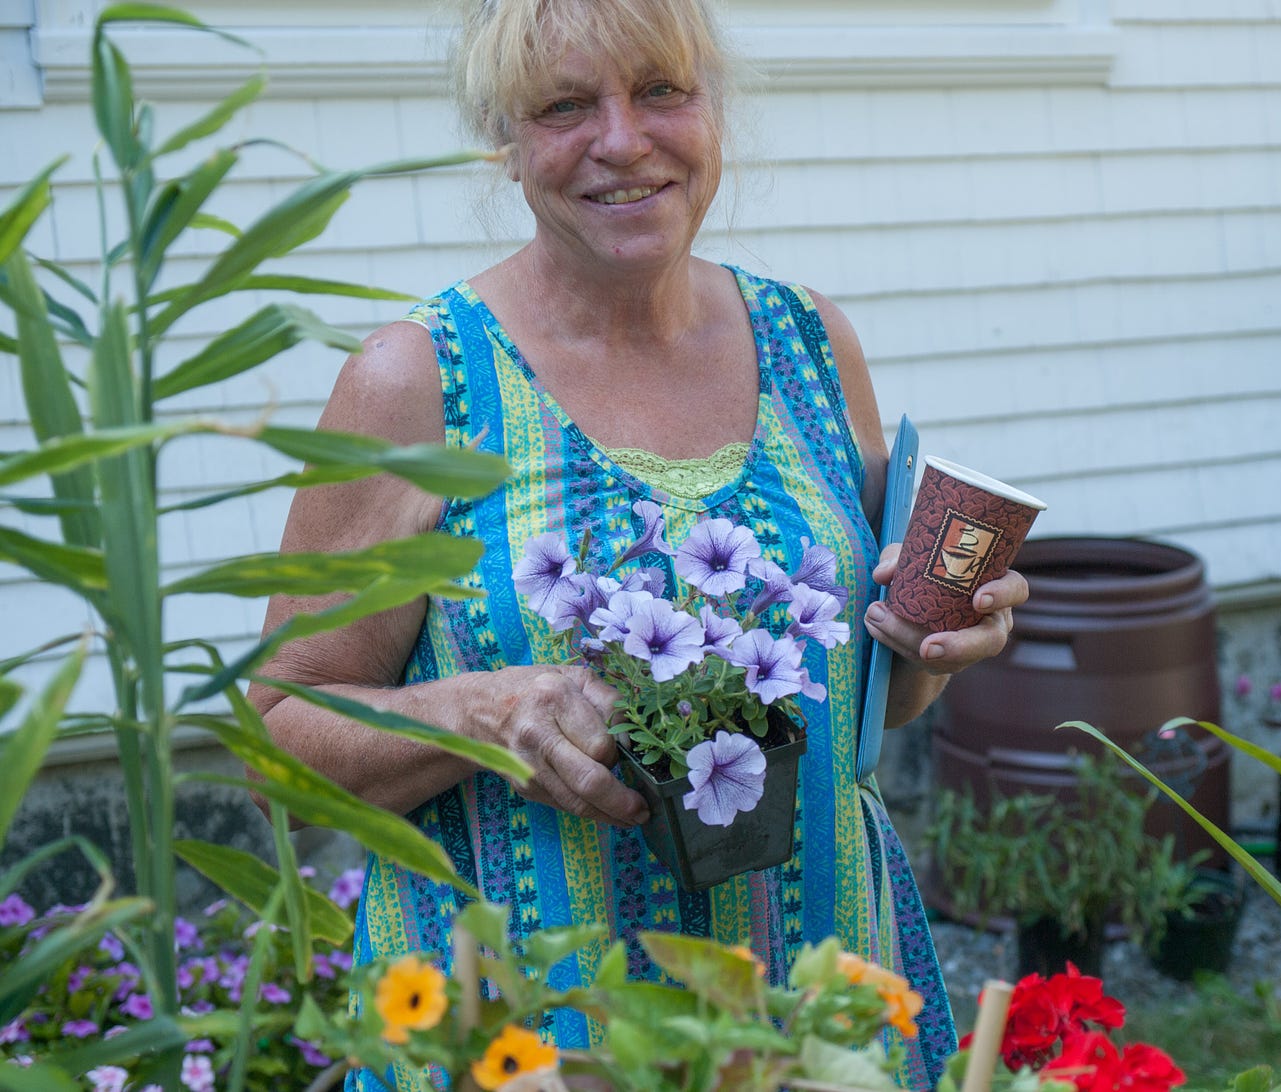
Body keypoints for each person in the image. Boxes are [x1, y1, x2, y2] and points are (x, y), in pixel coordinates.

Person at [247, 0, 1029, 1087]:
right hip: (527, 1030)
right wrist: (478, 712)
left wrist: (932, 642)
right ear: (508, 145)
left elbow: (862, 708)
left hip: (811, 1015)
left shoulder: (810, 341)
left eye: (661, 89)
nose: (622, 139)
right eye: (564, 106)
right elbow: (279, 735)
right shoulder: (420, 381)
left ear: (713, 110)